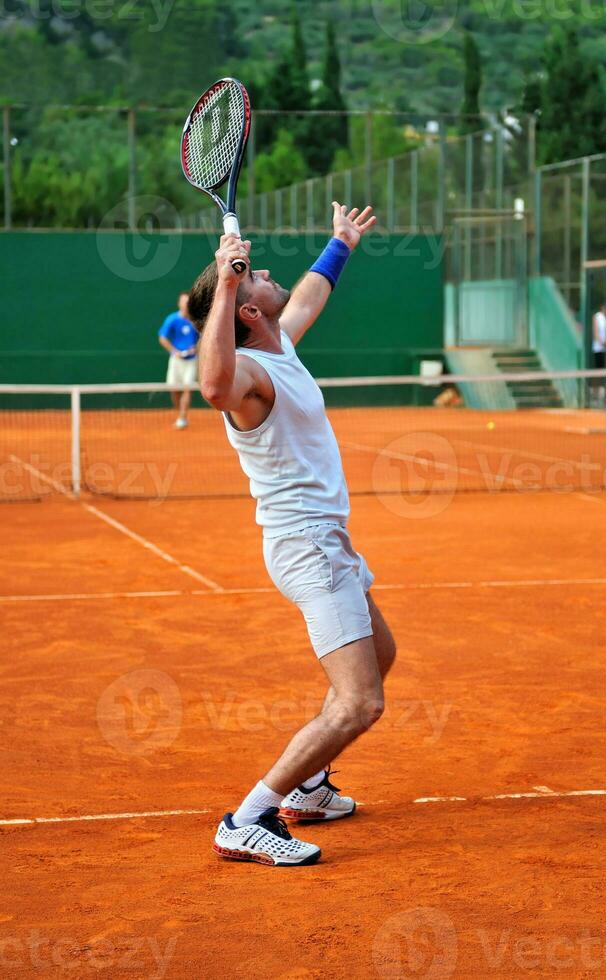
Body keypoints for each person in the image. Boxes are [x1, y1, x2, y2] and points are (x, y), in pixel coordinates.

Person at [188, 202, 396, 867]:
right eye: (257, 280)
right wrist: (224, 281)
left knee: (380, 653)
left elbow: (304, 296)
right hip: (306, 543)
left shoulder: (279, 348)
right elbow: (213, 386)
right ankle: (247, 818)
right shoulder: (247, 377)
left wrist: (341, 243)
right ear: (247, 310)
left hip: (324, 539)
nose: (270, 274)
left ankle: (307, 789)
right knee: (360, 702)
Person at [158, 292, 199, 429]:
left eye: (188, 302)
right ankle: (180, 412)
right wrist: (175, 352)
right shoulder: (172, 319)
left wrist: (196, 348)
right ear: (179, 304)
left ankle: (182, 417)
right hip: (176, 360)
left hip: (192, 360)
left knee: (187, 389)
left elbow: (204, 337)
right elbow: (162, 338)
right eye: (183, 301)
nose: (185, 304)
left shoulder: (196, 321)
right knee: (174, 389)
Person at [592, 303, 606, 404]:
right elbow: (596, 332)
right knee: (599, 372)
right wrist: (602, 343)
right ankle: (595, 392)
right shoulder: (597, 317)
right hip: (599, 349)